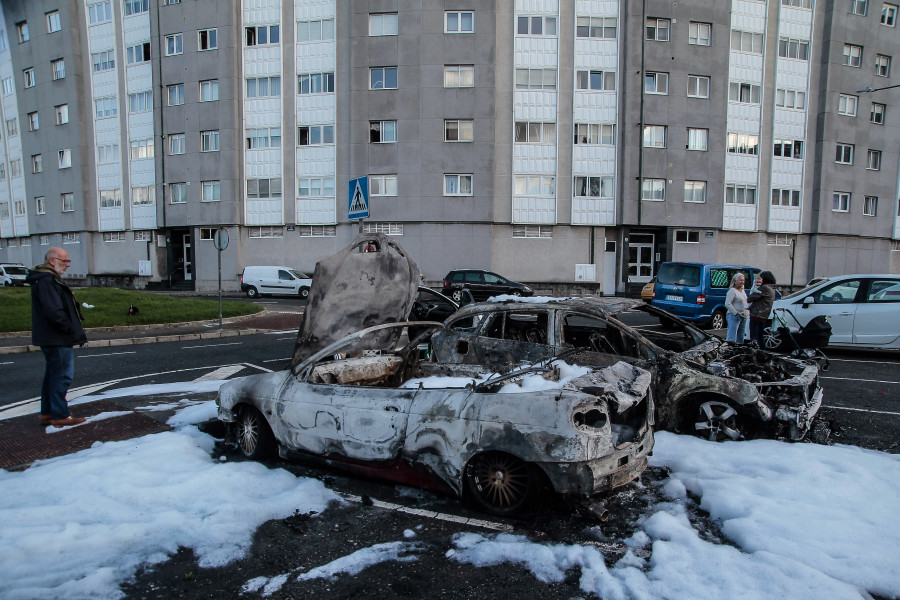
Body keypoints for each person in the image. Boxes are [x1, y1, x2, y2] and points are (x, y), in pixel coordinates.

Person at [26, 248, 88, 428]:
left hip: (50, 336)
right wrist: (68, 328)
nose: (68, 265)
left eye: (68, 261)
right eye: (64, 261)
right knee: (62, 376)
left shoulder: (45, 278)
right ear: (52, 261)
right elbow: (54, 310)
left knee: (52, 376)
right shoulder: (47, 280)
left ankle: (47, 413)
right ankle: (60, 415)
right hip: (57, 337)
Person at [747, 271, 777, 347]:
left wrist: (755, 288)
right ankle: (763, 352)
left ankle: (756, 353)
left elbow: (750, 298)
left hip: (757, 314)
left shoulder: (764, 288)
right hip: (764, 315)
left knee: (754, 337)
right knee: (760, 336)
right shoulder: (772, 288)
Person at [724, 272, 749, 344]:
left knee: (740, 336)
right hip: (734, 316)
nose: (742, 282)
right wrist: (735, 313)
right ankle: (729, 349)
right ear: (735, 281)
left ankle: (739, 350)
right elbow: (727, 303)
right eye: (740, 280)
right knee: (732, 336)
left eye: (743, 280)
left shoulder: (742, 291)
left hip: (743, 316)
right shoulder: (732, 291)